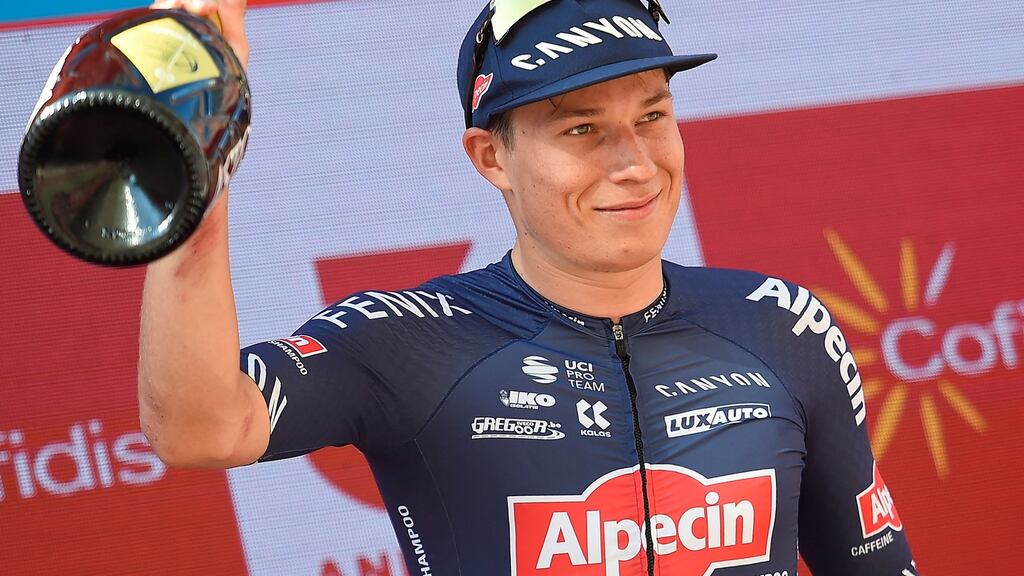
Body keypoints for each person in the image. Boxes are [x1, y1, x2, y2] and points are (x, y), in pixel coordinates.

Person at [138, 0, 919, 574]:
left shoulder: (780, 326)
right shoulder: (411, 343)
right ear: (491, 157)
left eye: (653, 116)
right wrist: (194, 169)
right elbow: (196, 426)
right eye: (581, 129)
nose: (636, 163)